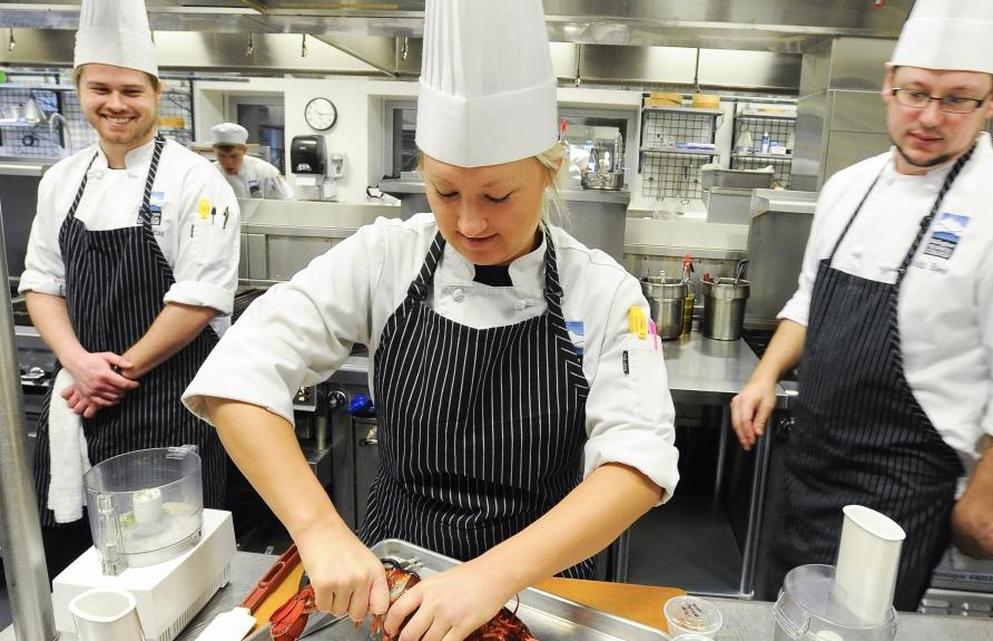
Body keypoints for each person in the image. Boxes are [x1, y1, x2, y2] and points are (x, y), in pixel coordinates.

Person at [182, 0, 678, 638]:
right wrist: (317, 529)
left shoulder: (607, 294)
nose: (470, 223)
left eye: (498, 196)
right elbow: (240, 375)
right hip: (393, 589)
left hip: (538, 588)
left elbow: (636, 465)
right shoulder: (386, 256)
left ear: (550, 171)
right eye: (445, 192)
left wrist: (491, 578)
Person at [730, 0, 993, 609]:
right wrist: (765, 374)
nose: (929, 116)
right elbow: (811, 299)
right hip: (808, 468)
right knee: (782, 612)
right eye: (915, 91)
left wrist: (982, 508)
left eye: (957, 98)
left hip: (899, 495)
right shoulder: (849, 187)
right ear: (888, 83)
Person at [19, 0, 241, 577]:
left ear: (156, 92)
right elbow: (41, 284)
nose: (115, 104)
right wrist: (79, 364)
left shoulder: (197, 181)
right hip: (81, 396)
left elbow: (197, 299)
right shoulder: (61, 180)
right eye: (100, 89)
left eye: (131, 90)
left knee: (169, 562)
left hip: (171, 400)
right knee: (78, 565)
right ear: (79, 89)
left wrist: (116, 374)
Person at [210, 122, 294, 200]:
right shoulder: (210, 174)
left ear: (245, 150)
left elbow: (288, 203)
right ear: (214, 151)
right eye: (222, 156)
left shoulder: (266, 172)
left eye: (234, 156)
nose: (228, 163)